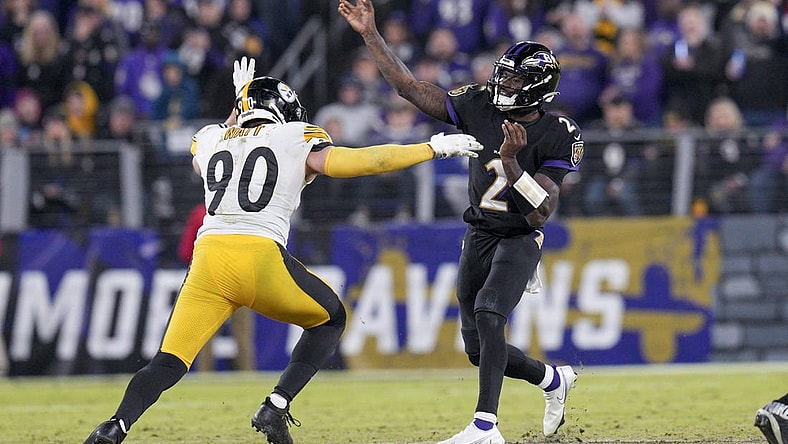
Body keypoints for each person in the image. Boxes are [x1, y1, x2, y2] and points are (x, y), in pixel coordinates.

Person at [82, 56, 483, 444]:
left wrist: (238, 106)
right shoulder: (295, 136)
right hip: (259, 257)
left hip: (208, 261)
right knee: (331, 318)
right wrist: (430, 148)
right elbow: (359, 162)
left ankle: (116, 426)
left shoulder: (211, 137)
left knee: (167, 362)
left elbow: (211, 151)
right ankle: (276, 405)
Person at [339, 1, 583, 442]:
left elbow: (541, 210)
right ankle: (552, 380)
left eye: (514, 78)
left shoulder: (557, 132)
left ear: (537, 88)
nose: (502, 82)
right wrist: (370, 34)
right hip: (479, 234)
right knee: (477, 348)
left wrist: (511, 161)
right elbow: (409, 88)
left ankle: (485, 426)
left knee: (491, 313)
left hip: (520, 236)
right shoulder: (478, 103)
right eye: (503, 73)